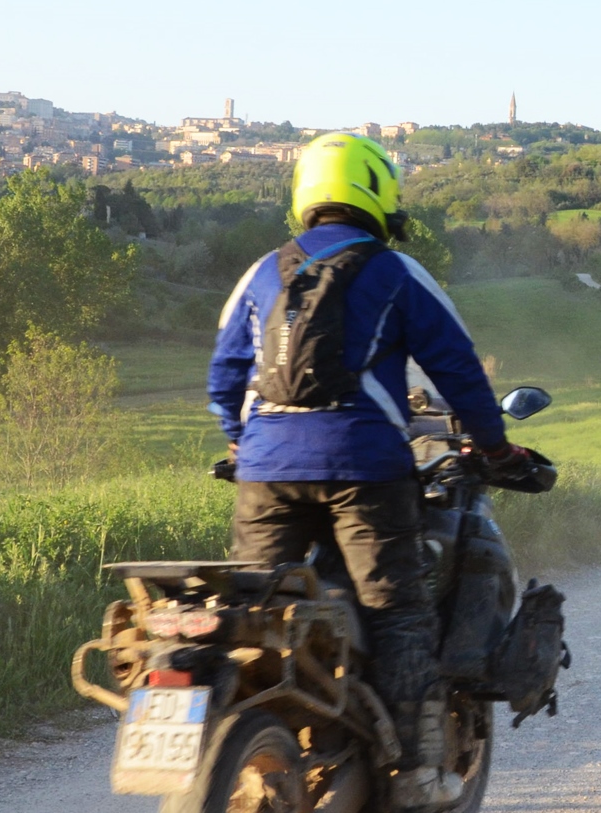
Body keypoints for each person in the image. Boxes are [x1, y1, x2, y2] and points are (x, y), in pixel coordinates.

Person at [208, 132, 528, 808]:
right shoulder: (394, 272)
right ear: (378, 194)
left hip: (266, 475)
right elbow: (459, 370)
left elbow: (224, 374)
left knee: (254, 616)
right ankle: (415, 775)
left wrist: (246, 442)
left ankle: (245, 737)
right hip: (365, 472)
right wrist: (494, 447)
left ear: (306, 194)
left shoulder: (264, 271)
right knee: (398, 612)